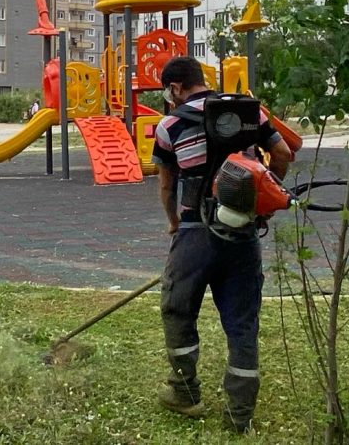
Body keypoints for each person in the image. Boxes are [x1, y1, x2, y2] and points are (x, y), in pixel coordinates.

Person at [151, 56, 291, 434]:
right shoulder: (250, 113)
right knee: (243, 325)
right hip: (243, 235)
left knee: (178, 310)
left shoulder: (170, 125)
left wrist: (174, 223)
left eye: (168, 91)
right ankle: (239, 416)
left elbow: (166, 185)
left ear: (176, 88)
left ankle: (185, 392)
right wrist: (262, 203)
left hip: (195, 234)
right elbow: (282, 155)